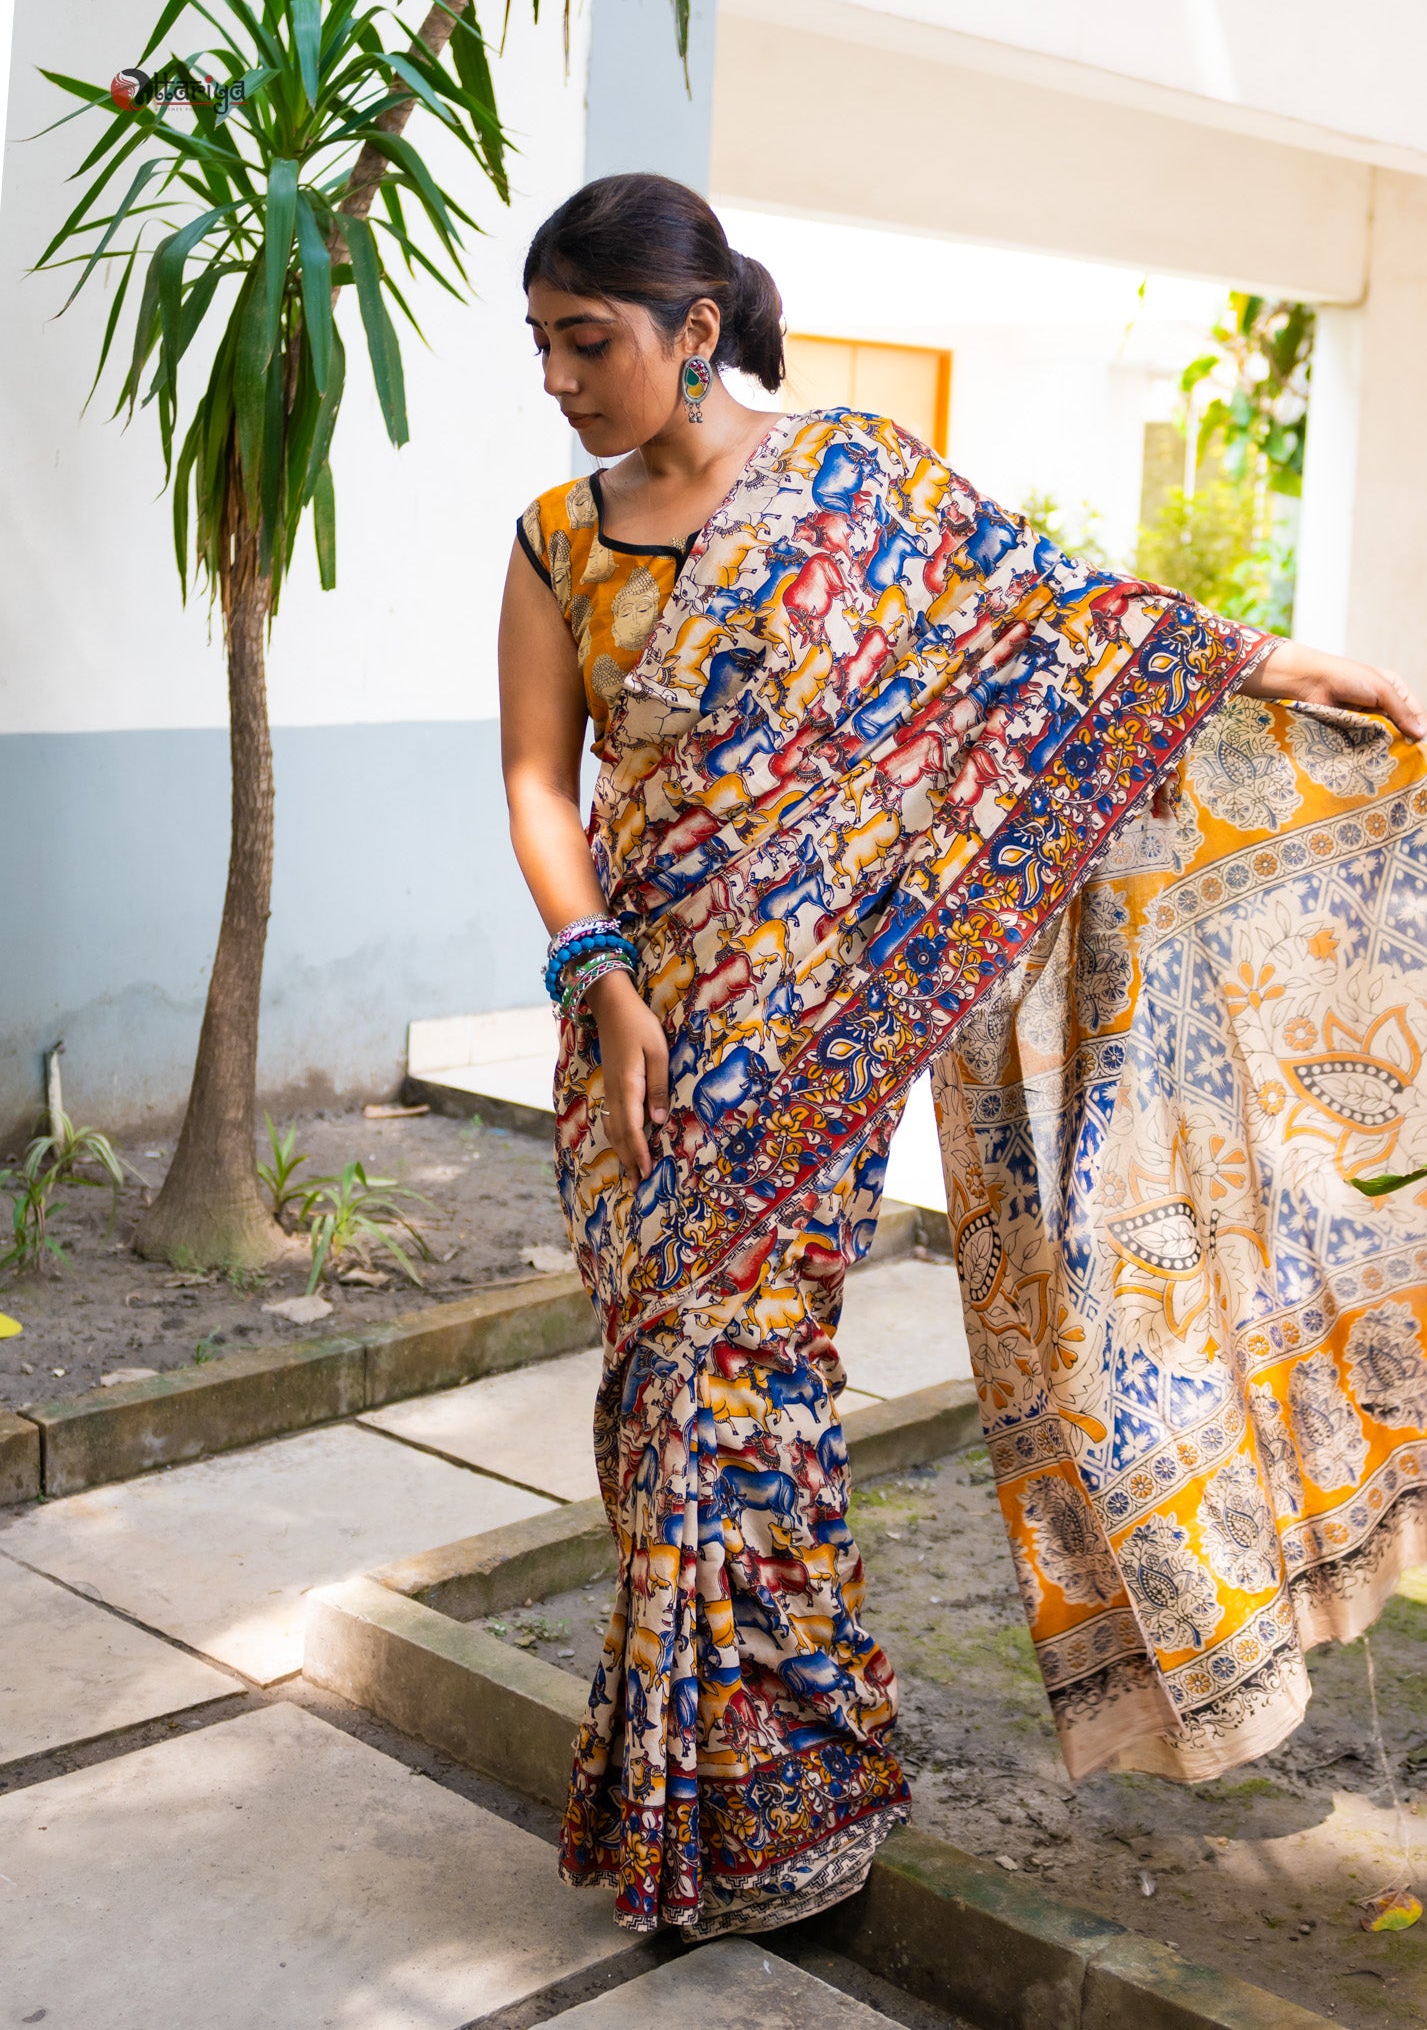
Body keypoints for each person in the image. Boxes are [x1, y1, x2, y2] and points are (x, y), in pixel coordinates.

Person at [498, 171, 1427, 1937]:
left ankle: (791, 1805)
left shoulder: (856, 484)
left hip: (813, 1044)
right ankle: (700, 1798)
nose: (558, 376)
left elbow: (1067, 633)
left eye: (588, 339)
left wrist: (1292, 665)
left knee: (750, 1403)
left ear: (697, 333)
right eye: (541, 344)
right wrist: (600, 968)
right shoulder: (556, 541)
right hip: (632, 1045)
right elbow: (544, 782)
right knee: (655, 1412)